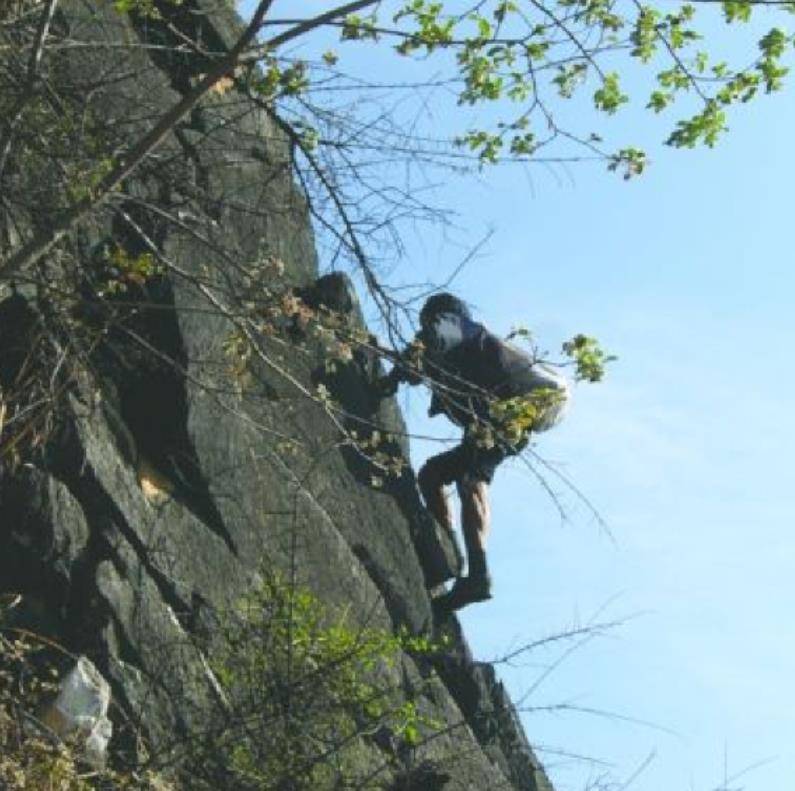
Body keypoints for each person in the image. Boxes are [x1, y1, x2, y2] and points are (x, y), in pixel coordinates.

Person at [375, 293, 570, 610]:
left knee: (471, 479)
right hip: (511, 411)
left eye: (426, 320)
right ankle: (447, 552)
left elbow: (424, 349)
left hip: (520, 402)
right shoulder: (457, 353)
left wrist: (391, 377)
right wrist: (398, 376)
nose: (422, 327)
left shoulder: (454, 326)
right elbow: (418, 367)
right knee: (433, 475)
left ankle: (478, 574)